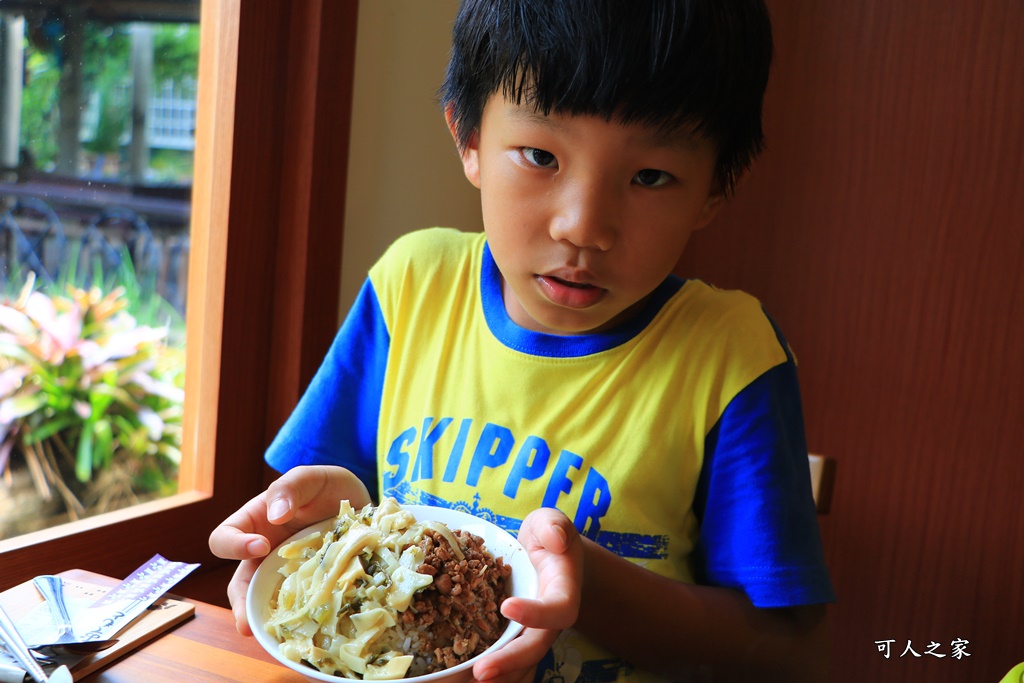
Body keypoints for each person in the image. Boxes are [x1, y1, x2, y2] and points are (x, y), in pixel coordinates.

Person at [209, 0, 836, 681]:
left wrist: (587, 583)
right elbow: (334, 510)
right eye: (541, 155)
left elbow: (790, 655)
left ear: (717, 187)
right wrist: (302, 541)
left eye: (650, 176)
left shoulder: (732, 356)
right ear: (468, 137)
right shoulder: (410, 287)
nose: (583, 226)